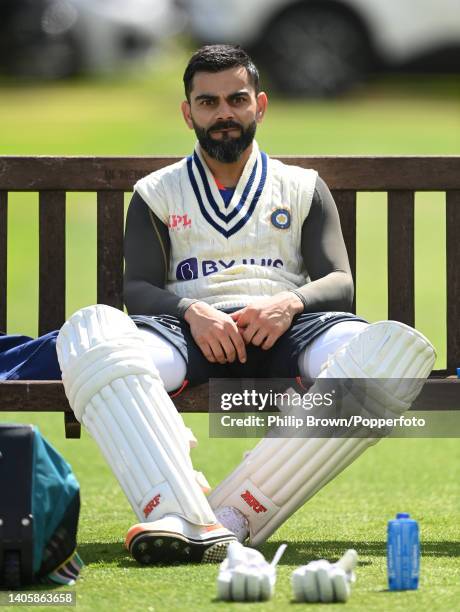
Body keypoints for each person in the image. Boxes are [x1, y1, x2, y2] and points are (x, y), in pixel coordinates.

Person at [56, 45, 435, 565]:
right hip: (190, 332)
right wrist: (193, 311)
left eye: (236, 99)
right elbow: (139, 289)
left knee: (383, 361)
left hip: (290, 329)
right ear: (188, 112)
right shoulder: (158, 191)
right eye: (208, 103)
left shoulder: (302, 187)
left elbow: (339, 282)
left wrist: (289, 302)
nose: (224, 114)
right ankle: (177, 507)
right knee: (94, 340)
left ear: (260, 104)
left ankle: (230, 514)